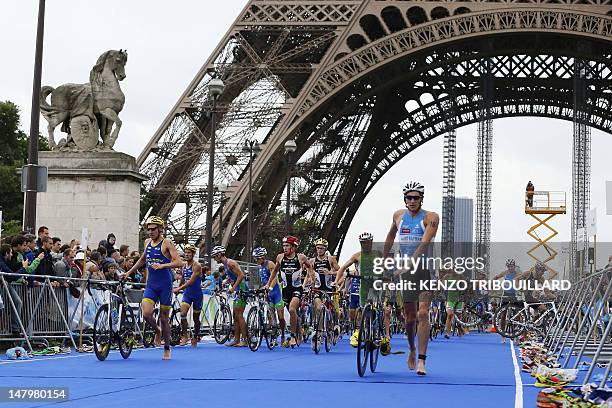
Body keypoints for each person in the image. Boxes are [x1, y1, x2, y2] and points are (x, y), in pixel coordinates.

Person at [383, 181, 439, 376]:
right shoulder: (398, 216)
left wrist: (411, 262)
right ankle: (412, 348)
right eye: (409, 197)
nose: (412, 200)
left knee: (423, 313)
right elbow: (390, 235)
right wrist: (384, 259)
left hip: (425, 270)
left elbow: (425, 242)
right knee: (410, 316)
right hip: (406, 273)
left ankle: (422, 361)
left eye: (416, 197)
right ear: (405, 199)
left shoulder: (431, 217)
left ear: (421, 199)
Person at [123, 216, 182, 360]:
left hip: (165, 285)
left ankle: (167, 347)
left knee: (163, 318)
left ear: (160, 229)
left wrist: (163, 265)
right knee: (147, 314)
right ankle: (157, 331)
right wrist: (128, 273)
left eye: (153, 229)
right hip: (151, 284)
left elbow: (179, 262)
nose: (150, 232)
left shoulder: (167, 243)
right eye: (148, 229)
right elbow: (143, 259)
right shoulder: (147, 242)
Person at [335, 232, 384, 349]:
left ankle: (378, 332)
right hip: (362, 285)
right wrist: (336, 282)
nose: (365, 244)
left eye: (367, 242)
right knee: (361, 309)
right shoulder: (357, 256)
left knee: (374, 308)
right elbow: (342, 268)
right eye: (362, 243)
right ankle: (359, 331)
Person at [268, 236, 314, 348]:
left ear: (293, 247)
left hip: (297, 289)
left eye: (287, 246)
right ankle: (300, 333)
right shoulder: (280, 257)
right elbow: (274, 272)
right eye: (283, 245)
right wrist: (268, 284)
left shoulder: (301, 257)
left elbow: (309, 266)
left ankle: (293, 336)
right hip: (285, 290)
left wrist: (311, 277)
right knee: (293, 314)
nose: (284, 248)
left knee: (292, 309)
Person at [211, 245, 248, 347]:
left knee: (239, 315)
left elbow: (241, 275)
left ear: (219, 255)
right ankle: (236, 339)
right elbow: (232, 276)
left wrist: (233, 288)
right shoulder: (226, 265)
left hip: (241, 289)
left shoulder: (230, 263)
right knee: (235, 315)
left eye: (214, 257)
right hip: (237, 289)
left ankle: (245, 339)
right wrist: (225, 283)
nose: (214, 259)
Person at [309, 238, 340, 350]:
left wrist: (330, 272)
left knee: (331, 310)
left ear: (325, 248)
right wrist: (309, 281)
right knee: (319, 308)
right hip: (318, 289)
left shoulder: (331, 259)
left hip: (328, 289)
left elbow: (340, 271)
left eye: (321, 248)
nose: (319, 250)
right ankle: (320, 331)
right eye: (317, 248)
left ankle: (332, 327)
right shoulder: (312, 261)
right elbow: (310, 274)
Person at [173, 244, 203, 347]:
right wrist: (179, 285)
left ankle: (195, 335)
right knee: (182, 313)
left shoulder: (197, 266)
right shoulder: (184, 265)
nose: (186, 254)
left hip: (197, 295)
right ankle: (185, 335)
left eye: (189, 253)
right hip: (187, 294)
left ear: (193, 254)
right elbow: (183, 278)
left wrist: (179, 288)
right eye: (185, 253)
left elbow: (191, 281)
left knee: (196, 318)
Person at [255, 247, 286, 347]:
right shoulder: (260, 267)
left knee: (280, 316)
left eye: (257, 258)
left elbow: (274, 277)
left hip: (276, 292)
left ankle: (283, 335)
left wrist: (270, 287)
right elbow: (263, 280)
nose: (256, 261)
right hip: (268, 293)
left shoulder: (270, 264)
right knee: (270, 315)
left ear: (262, 257)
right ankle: (273, 336)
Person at [0, 244, 28, 337]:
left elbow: (10, 274)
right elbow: (11, 275)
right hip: (4, 285)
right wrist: (23, 268)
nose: (12, 255)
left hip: (6, 284)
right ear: (6, 253)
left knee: (17, 302)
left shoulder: (4, 261)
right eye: (11, 253)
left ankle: (15, 329)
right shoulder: (1, 261)